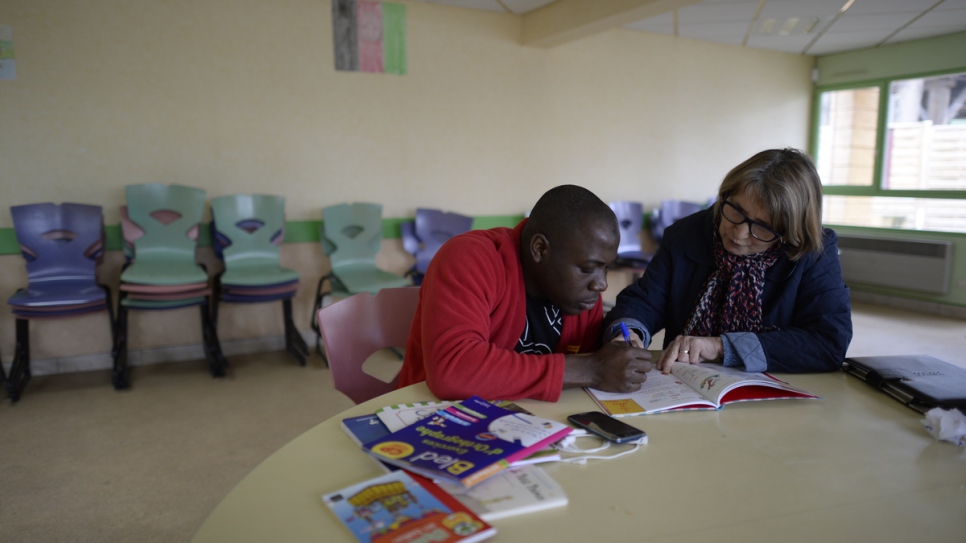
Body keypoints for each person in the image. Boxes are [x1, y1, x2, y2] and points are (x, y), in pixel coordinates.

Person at [603, 148, 852, 374]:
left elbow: (827, 342)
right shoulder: (685, 234)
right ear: (725, 195)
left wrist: (722, 346)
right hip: (684, 382)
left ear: (789, 233)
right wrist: (629, 332)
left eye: (763, 227)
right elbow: (646, 300)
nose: (739, 233)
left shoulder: (813, 250)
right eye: (736, 211)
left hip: (776, 387)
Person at [397, 185, 653, 401]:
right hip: (431, 420)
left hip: (527, 424)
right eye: (587, 268)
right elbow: (453, 372)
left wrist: (613, 358)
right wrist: (592, 369)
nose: (601, 285)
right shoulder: (469, 258)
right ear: (540, 248)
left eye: (606, 268)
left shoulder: (582, 295)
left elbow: (588, 375)